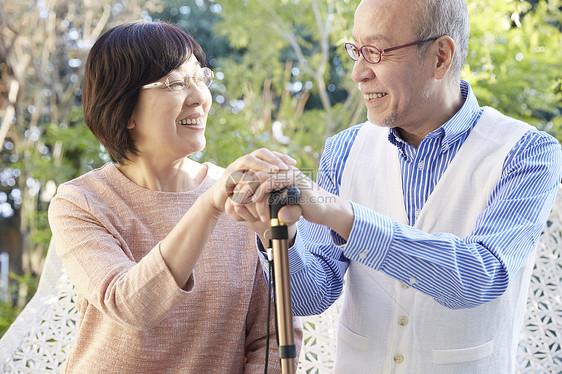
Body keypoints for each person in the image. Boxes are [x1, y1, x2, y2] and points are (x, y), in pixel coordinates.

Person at [225, 0, 562, 373]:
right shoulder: (343, 149)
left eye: (375, 52)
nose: (357, 73)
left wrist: (342, 214)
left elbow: (481, 276)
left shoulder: (528, 152)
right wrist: (280, 238)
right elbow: (311, 296)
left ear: (440, 56)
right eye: (355, 50)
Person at [47, 21, 301, 373]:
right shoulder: (81, 202)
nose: (200, 98)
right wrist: (209, 206)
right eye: (177, 83)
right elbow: (130, 305)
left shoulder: (240, 194)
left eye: (201, 78)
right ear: (125, 106)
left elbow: (271, 334)